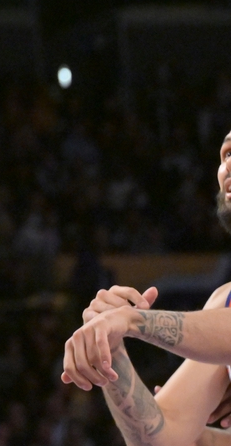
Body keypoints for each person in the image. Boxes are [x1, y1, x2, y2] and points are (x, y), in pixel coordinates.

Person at [62, 128, 231, 446]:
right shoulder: (224, 301)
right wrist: (110, 348)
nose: (230, 164)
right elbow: (161, 437)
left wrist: (130, 320)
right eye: (227, 154)